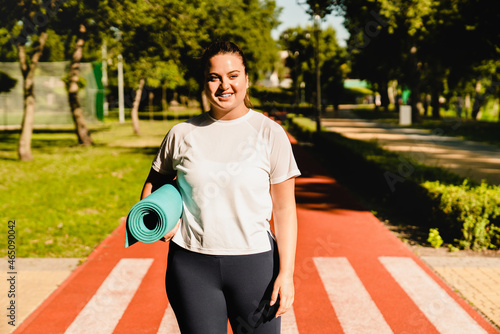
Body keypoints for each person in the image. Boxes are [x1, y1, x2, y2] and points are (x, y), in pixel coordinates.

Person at [140, 41, 300, 334]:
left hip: (256, 268)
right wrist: (160, 222)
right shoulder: (182, 134)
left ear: (247, 79)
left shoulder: (270, 133)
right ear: (205, 82)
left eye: (233, 75)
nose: (224, 85)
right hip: (191, 267)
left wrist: (286, 274)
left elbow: (285, 209)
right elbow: (154, 183)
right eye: (214, 77)